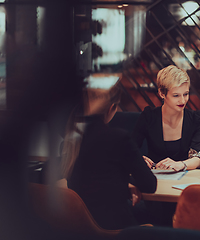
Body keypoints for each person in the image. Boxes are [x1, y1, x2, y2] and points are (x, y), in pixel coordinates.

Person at [62, 78, 157, 230]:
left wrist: (124, 184)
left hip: (80, 230)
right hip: (115, 231)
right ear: (111, 108)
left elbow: (89, 181)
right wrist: (128, 178)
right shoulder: (119, 138)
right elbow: (150, 184)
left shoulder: (73, 138)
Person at [133, 65, 200, 171]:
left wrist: (181, 164)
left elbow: (198, 156)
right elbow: (131, 147)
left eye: (185, 94)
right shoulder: (149, 116)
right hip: (155, 177)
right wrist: (139, 159)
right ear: (162, 94)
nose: (183, 101)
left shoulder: (195, 118)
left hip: (185, 177)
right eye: (176, 95)